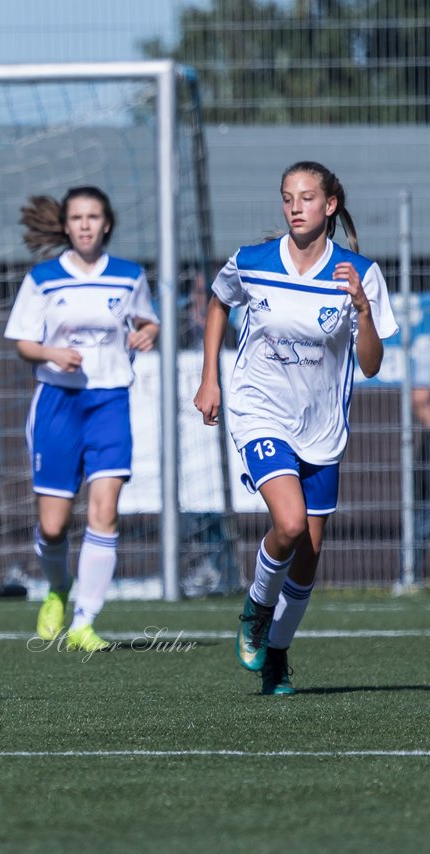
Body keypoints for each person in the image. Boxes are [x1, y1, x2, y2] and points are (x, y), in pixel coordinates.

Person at [194, 161, 397, 695]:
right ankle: (257, 609)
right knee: (287, 523)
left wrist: (362, 310)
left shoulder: (360, 273)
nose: (295, 207)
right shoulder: (255, 261)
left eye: (307, 198)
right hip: (260, 409)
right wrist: (209, 378)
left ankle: (276, 655)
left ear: (329, 206)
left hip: (322, 429)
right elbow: (219, 301)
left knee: (307, 558)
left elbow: (372, 364)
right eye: (287, 198)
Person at [6, 187, 160, 653]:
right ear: (67, 225)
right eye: (77, 218)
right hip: (57, 403)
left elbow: (146, 321)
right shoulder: (44, 278)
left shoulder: (130, 276)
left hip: (109, 402)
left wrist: (148, 333)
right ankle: (57, 589)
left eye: (94, 217)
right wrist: (52, 352)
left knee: (104, 511)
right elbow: (23, 342)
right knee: (53, 526)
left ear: (107, 223)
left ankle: (84, 622)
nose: (86, 225)